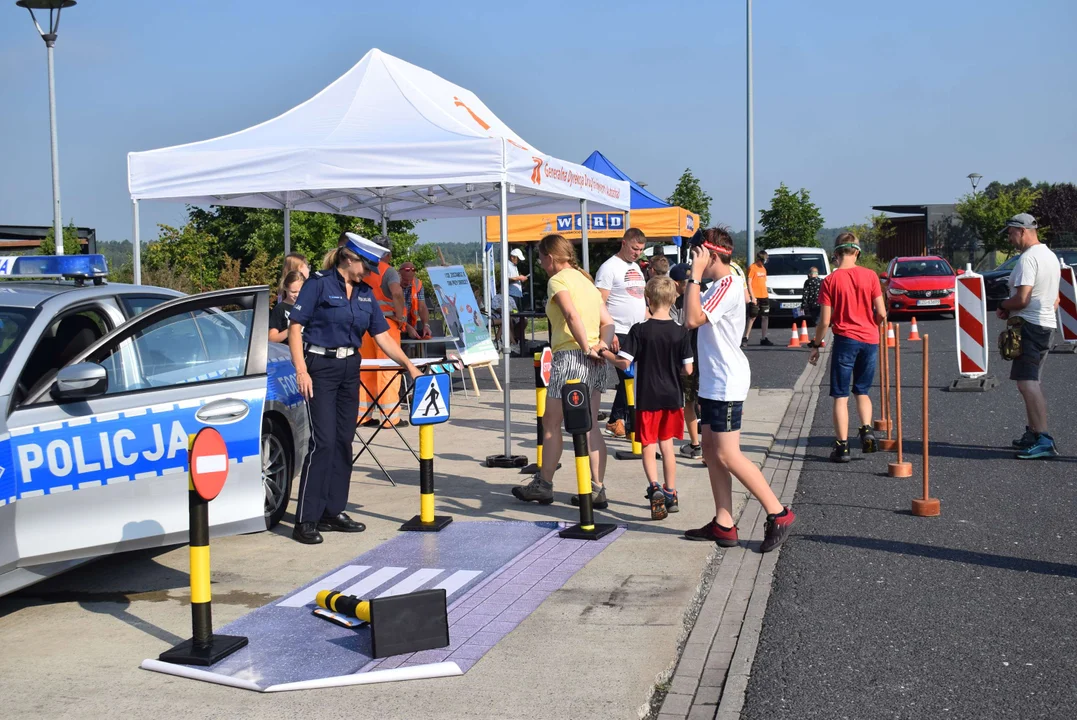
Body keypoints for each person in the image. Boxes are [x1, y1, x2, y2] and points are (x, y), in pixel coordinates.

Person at [287, 234, 422, 544]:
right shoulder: (319, 284)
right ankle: (306, 519)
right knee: (323, 443)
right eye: (366, 265)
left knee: (344, 441)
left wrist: (408, 365)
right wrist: (301, 369)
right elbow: (296, 327)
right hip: (319, 368)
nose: (370, 273)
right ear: (349, 259)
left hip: (350, 369)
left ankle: (333, 511)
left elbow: (383, 336)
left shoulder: (364, 294)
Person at [682, 227, 795, 553]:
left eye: (696, 255)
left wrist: (694, 276)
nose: (693, 261)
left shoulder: (728, 283)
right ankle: (724, 522)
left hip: (727, 382)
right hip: (715, 381)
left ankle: (779, 513)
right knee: (709, 452)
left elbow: (691, 319)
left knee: (728, 455)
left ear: (710, 255)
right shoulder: (720, 283)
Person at [512, 234, 616, 508]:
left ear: (550, 256)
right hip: (594, 359)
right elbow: (608, 322)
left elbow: (571, 315)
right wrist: (599, 346)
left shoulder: (557, 281)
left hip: (570, 356)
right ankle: (597, 487)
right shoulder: (587, 281)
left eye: (541, 258)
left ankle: (544, 484)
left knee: (551, 423)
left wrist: (585, 347)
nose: (540, 264)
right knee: (591, 424)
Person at [601, 276, 693, 520]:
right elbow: (688, 370)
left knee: (648, 445)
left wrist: (604, 353)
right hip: (673, 397)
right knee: (667, 446)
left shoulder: (639, 330)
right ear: (674, 299)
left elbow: (624, 362)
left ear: (648, 300)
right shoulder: (681, 332)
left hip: (647, 397)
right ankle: (671, 491)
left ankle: (654, 488)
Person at [806, 232, 887, 463]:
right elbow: (881, 312)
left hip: (845, 340)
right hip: (870, 339)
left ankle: (842, 447)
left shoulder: (830, 281)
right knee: (862, 390)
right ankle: (866, 430)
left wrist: (816, 344)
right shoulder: (870, 276)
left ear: (836, 253)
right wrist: (873, 325)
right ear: (857, 252)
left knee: (841, 396)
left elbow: (824, 321)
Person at [997, 213, 1060, 459]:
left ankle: (1043, 438)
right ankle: (1034, 433)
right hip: (1045, 324)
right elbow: (1054, 299)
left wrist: (1004, 304)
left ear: (1022, 231)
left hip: (1030, 327)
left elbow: (1022, 299)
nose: (1010, 239)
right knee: (1031, 381)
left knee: (1027, 383)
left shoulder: (1028, 259)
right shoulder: (1050, 256)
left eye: (1011, 233)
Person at [596, 227, 648, 438]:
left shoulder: (635, 266)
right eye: (635, 248)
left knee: (634, 379)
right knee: (629, 376)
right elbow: (599, 302)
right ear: (624, 243)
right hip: (620, 331)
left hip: (638, 330)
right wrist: (610, 332)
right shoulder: (609, 268)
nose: (637, 253)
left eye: (641, 250)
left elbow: (639, 298)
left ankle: (622, 420)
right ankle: (619, 420)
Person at [356, 238, 413, 427]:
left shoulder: (361, 268)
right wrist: (401, 317)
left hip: (363, 326)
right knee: (388, 369)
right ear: (387, 254)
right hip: (385, 325)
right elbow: (396, 293)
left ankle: (363, 415)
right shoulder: (388, 271)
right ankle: (390, 417)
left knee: (366, 369)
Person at [670, 263, 702, 459]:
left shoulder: (677, 304)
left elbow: (675, 332)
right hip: (704, 357)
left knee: (689, 402)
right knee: (701, 402)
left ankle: (697, 445)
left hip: (688, 358)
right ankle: (705, 446)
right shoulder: (702, 297)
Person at [743, 250, 772, 346]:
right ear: (760, 259)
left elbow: (763, 282)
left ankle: (764, 338)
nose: (766, 261)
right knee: (752, 317)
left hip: (764, 296)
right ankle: (745, 337)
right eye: (765, 259)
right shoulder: (752, 267)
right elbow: (749, 283)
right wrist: (753, 297)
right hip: (755, 296)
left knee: (765, 317)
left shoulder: (763, 269)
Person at [399, 261, 432, 341]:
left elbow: (422, 307)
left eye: (410, 280)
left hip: (410, 326)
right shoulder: (392, 284)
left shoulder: (418, 284)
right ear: (399, 274)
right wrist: (406, 326)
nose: (408, 283)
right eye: (405, 280)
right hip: (394, 325)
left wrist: (426, 325)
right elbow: (390, 310)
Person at [269, 270, 304, 343]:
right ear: (285, 288)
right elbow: (271, 338)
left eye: (301, 292)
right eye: (293, 292)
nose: (297, 295)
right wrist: (291, 329)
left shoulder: (308, 306)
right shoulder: (280, 309)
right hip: (286, 351)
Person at [507, 247, 530, 354]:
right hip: (511, 295)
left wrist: (520, 279)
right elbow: (507, 278)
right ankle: (513, 339)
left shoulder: (514, 266)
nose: (518, 261)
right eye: (517, 259)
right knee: (514, 317)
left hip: (517, 294)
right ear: (512, 257)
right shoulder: (507, 265)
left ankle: (516, 337)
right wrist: (518, 278)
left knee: (520, 317)